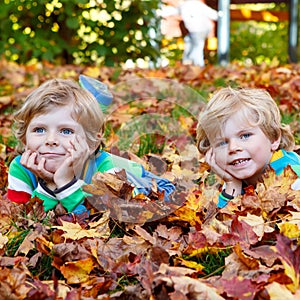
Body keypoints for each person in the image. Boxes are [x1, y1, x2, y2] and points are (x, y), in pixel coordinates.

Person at [7, 78, 175, 214]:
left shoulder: (106, 169)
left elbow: (99, 218)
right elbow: (22, 219)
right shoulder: (21, 168)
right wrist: (49, 184)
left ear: (92, 142)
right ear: (24, 139)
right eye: (39, 129)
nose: (51, 140)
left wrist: (64, 182)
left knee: (165, 194)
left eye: (66, 131)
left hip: (141, 180)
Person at [196, 87, 300, 208]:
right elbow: (221, 223)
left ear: (273, 138)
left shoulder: (292, 179)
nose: (233, 148)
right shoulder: (234, 178)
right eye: (222, 143)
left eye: (245, 136)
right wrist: (231, 186)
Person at [179, 0, 218, 67]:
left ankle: (198, 66)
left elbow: (213, 15)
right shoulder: (185, 5)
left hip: (200, 29)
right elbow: (214, 15)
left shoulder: (196, 4)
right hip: (193, 30)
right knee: (189, 43)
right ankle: (188, 65)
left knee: (197, 48)